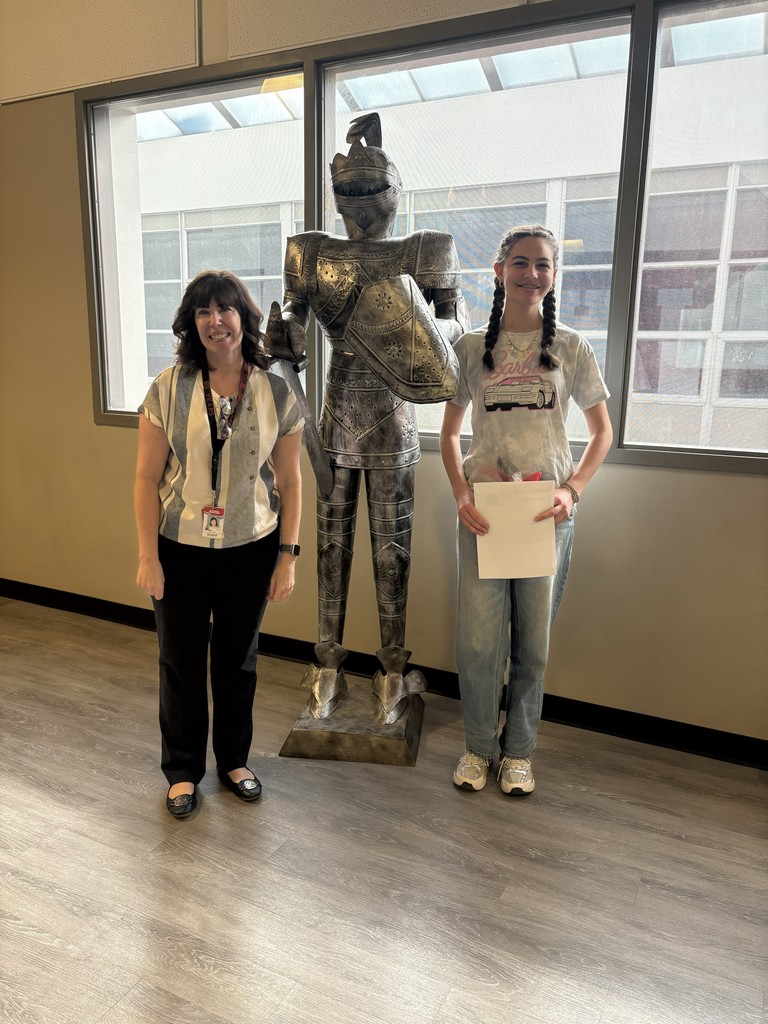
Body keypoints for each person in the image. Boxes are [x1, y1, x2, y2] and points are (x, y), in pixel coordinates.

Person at [268, 112, 467, 725]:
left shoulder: (425, 249)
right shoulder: (310, 251)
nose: (359, 201)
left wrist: (422, 329)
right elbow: (296, 315)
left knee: (391, 548)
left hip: (394, 412)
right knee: (331, 545)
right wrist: (286, 331)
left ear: (393, 190)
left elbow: (453, 327)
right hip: (335, 412)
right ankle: (327, 661)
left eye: (370, 188)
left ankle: (391, 667)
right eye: (349, 190)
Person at [440, 225, 612, 797]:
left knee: (532, 645)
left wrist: (572, 490)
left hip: (545, 516)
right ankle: (478, 747)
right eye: (520, 263)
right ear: (499, 271)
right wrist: (462, 495)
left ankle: (518, 752)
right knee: (478, 644)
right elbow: (449, 434)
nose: (531, 274)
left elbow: (602, 432)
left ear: (554, 276)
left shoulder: (571, 347)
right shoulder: (471, 348)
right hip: (484, 516)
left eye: (542, 265)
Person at [135, 270, 304, 818]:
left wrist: (287, 558)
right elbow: (145, 479)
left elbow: (291, 482)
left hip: (251, 546)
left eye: (225, 309)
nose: (216, 321)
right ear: (192, 323)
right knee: (179, 661)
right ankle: (183, 770)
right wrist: (148, 556)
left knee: (237, 662)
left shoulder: (276, 391)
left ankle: (234, 761)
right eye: (204, 311)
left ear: (243, 318)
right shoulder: (168, 388)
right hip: (178, 546)